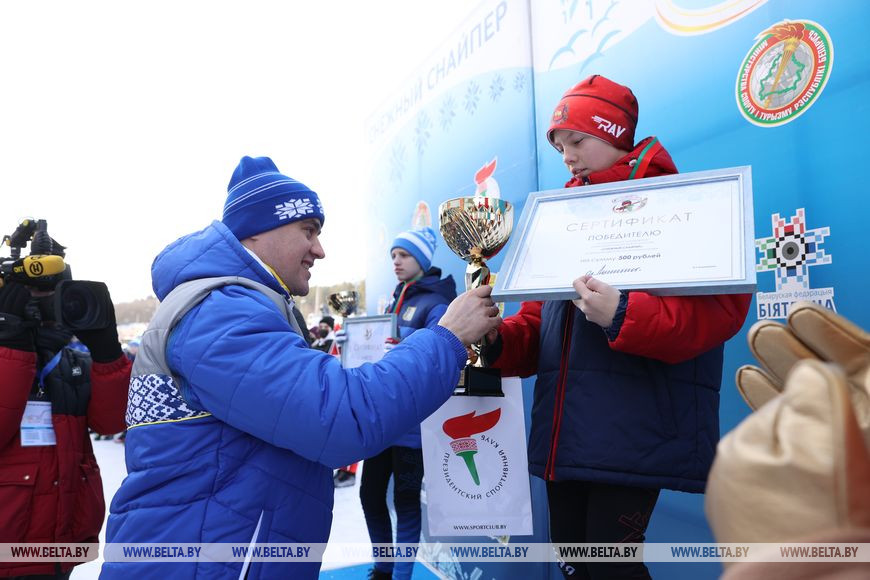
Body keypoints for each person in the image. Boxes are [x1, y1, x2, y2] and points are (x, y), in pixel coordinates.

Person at [101, 156, 501, 579]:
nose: (319, 249)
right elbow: (341, 417)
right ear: (256, 230)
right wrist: (447, 337)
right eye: (308, 231)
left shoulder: (234, 305)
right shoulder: (220, 312)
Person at [484, 75, 752, 580]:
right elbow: (538, 324)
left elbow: (718, 313)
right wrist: (495, 340)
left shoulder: (682, 204)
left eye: (577, 141)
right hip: (565, 436)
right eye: (560, 147)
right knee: (574, 566)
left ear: (612, 133)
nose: (568, 157)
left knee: (612, 570)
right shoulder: (561, 219)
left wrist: (624, 313)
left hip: (632, 435)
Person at [0, 277, 131, 579]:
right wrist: (12, 348)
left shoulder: (72, 363)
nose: (44, 306)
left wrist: (107, 353)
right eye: (31, 296)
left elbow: (110, 423)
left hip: (60, 543)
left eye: (53, 296)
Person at [360, 226, 457, 580]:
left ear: (421, 259)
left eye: (403, 255)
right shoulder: (394, 299)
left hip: (414, 427)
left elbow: (442, 350)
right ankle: (383, 569)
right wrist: (354, 345)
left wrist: (404, 345)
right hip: (383, 421)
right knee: (370, 497)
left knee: (405, 500)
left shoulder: (436, 302)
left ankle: (401, 575)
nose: (396, 262)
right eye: (393, 256)